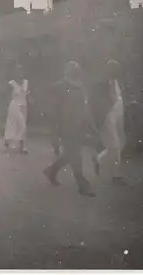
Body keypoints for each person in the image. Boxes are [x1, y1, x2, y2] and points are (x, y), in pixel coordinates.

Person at [43, 61, 97, 197]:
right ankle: (83, 185)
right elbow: (53, 113)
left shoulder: (80, 87)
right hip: (65, 128)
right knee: (76, 156)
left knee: (70, 154)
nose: (77, 73)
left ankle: (51, 170)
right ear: (68, 72)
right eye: (74, 70)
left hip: (79, 127)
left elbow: (85, 108)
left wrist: (91, 125)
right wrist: (54, 134)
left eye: (78, 70)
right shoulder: (59, 88)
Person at [88, 60, 127, 186]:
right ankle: (99, 160)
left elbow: (119, 97)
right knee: (114, 146)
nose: (117, 71)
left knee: (120, 144)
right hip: (107, 116)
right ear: (109, 70)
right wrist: (97, 120)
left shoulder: (118, 82)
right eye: (114, 69)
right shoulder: (101, 84)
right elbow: (93, 103)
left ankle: (116, 174)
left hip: (119, 114)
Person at [4, 65, 29, 154]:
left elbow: (28, 93)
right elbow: (7, 95)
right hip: (15, 105)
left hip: (24, 105)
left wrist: (31, 98)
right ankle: (8, 140)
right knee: (17, 124)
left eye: (21, 71)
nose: (19, 73)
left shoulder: (26, 82)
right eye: (17, 71)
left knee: (22, 125)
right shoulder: (12, 83)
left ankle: (21, 146)